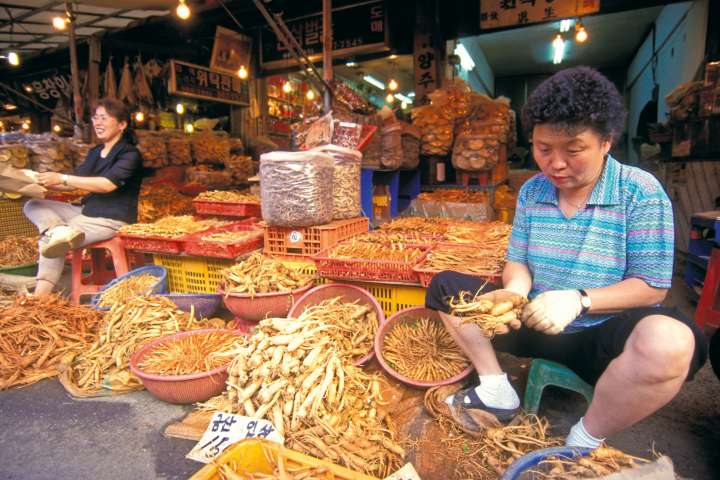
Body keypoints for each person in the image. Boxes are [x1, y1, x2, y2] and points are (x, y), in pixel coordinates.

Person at [426, 67, 708, 449]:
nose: (555, 164)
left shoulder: (640, 192)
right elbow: (518, 260)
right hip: (531, 322)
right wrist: (515, 292)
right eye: (544, 149)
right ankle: (495, 388)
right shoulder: (532, 191)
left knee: (670, 341)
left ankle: (585, 438)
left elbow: (651, 287)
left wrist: (580, 299)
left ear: (606, 141)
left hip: (598, 339)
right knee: (446, 287)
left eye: (573, 150)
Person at [24, 98, 144, 296]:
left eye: (104, 118)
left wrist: (62, 178)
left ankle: (39, 298)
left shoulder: (130, 154)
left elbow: (107, 185)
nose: (97, 123)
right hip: (86, 210)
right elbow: (75, 182)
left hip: (111, 219)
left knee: (51, 242)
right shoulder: (95, 152)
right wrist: (37, 181)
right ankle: (57, 229)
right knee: (33, 204)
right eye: (95, 118)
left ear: (122, 124)